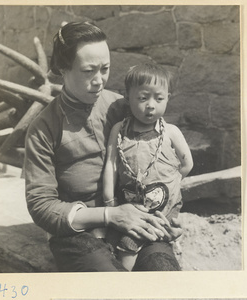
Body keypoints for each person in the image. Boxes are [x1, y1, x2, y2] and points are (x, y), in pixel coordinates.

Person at [25, 21, 183, 272]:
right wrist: (110, 215)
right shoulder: (44, 129)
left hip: (135, 219)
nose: (99, 80)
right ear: (63, 69)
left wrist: (167, 212)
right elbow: (41, 206)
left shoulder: (120, 108)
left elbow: (161, 156)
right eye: (89, 71)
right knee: (111, 286)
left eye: (105, 69)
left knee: (164, 273)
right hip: (79, 234)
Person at [103, 63, 193, 271]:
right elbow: (111, 164)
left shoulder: (170, 132)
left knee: (129, 245)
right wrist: (109, 199)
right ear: (128, 97)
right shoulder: (120, 130)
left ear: (168, 97)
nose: (151, 105)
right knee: (113, 241)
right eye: (143, 98)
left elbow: (187, 163)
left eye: (159, 98)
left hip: (162, 209)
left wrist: (171, 182)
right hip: (129, 205)